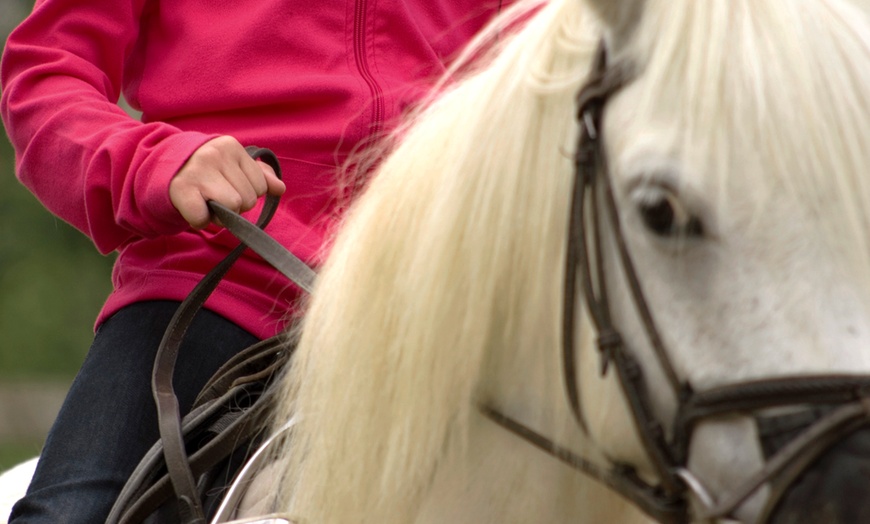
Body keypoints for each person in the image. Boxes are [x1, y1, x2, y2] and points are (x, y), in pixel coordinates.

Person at [0, 0, 508, 521]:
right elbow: (47, 74)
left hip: (451, 303)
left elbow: (567, 80)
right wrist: (155, 164)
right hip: (217, 281)